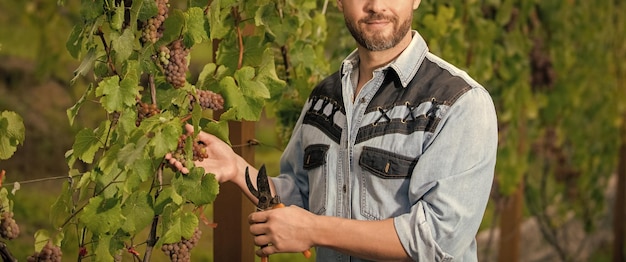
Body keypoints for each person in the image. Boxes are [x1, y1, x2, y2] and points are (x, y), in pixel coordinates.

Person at [169, 0, 498, 260]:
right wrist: (236, 169)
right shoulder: (324, 97)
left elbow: (437, 239)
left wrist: (313, 230)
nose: (376, 5)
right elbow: (304, 195)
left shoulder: (459, 102)